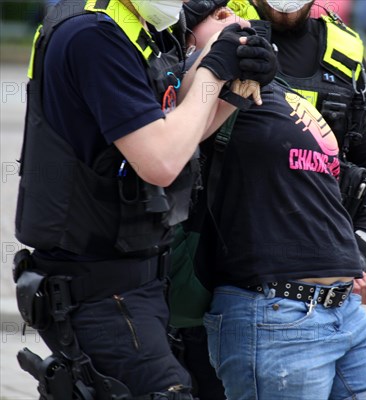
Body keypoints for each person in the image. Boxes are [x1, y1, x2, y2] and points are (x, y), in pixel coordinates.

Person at [12, 0, 275, 398]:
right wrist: (212, 69)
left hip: (140, 275)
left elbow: (184, 131)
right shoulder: (92, 34)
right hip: (97, 287)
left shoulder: (142, 22)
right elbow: (161, 160)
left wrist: (235, 82)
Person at [178, 3, 366, 398]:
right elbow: (180, 130)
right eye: (218, 16)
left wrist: (352, 256)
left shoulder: (292, 72)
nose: (232, 20)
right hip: (273, 310)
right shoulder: (213, 76)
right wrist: (212, 63)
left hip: (345, 309)